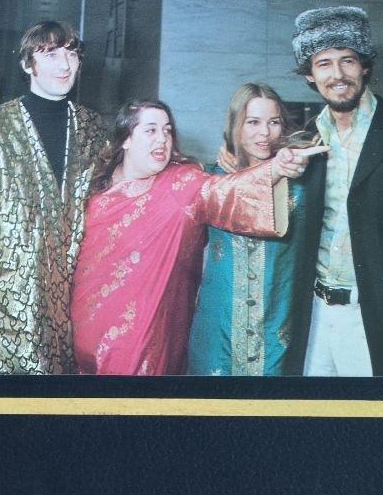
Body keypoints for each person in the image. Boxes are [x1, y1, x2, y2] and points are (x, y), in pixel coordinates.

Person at [70, 100, 321, 376]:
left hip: (144, 339)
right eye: (151, 130)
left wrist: (276, 169)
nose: (162, 139)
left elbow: (224, 192)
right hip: (85, 337)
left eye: (167, 130)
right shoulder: (90, 192)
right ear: (126, 139)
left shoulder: (181, 183)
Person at [0, 20, 107, 375]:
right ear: (28, 64)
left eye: (71, 54)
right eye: (51, 54)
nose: (64, 65)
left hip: (64, 307)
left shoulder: (91, 129)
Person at [292, 6, 383, 377]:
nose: (337, 75)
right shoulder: (304, 139)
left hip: (378, 319)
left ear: (364, 66)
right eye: (324, 63)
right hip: (315, 317)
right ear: (309, 75)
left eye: (347, 60)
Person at [187, 83, 313, 376]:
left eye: (274, 122)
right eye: (253, 122)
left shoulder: (301, 184)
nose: (264, 133)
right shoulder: (211, 179)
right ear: (236, 125)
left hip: (276, 330)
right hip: (217, 330)